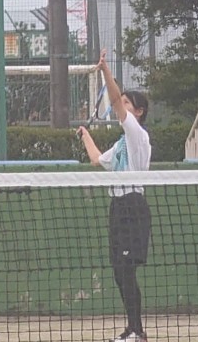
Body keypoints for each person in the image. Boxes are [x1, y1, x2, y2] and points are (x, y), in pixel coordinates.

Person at [77, 49, 151, 342]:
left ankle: (137, 331)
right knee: (120, 272)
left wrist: (106, 71)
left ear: (138, 112)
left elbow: (116, 101)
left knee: (127, 270)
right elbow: (97, 160)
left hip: (133, 205)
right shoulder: (121, 145)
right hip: (117, 207)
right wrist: (85, 135)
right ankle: (132, 329)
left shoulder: (137, 136)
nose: (122, 106)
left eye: (128, 104)